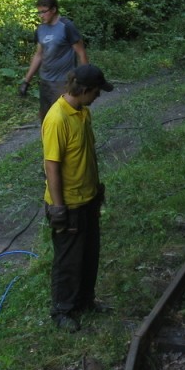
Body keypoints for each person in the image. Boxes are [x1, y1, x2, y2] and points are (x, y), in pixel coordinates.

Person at [42, 64, 113, 332]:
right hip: (68, 203)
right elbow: (52, 166)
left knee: (89, 254)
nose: (98, 96)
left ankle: (86, 301)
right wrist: (58, 207)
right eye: (96, 92)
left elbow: (87, 153)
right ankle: (62, 310)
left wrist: (96, 187)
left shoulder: (83, 113)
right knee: (68, 260)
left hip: (88, 198)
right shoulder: (57, 118)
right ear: (83, 90)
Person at [20, 0, 89, 121]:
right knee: (46, 118)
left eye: (43, 12)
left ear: (54, 10)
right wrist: (26, 81)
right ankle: (48, 140)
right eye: (39, 12)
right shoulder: (41, 29)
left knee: (65, 118)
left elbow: (81, 53)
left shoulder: (66, 27)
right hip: (45, 82)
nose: (41, 15)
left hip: (64, 83)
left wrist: (85, 80)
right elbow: (39, 55)